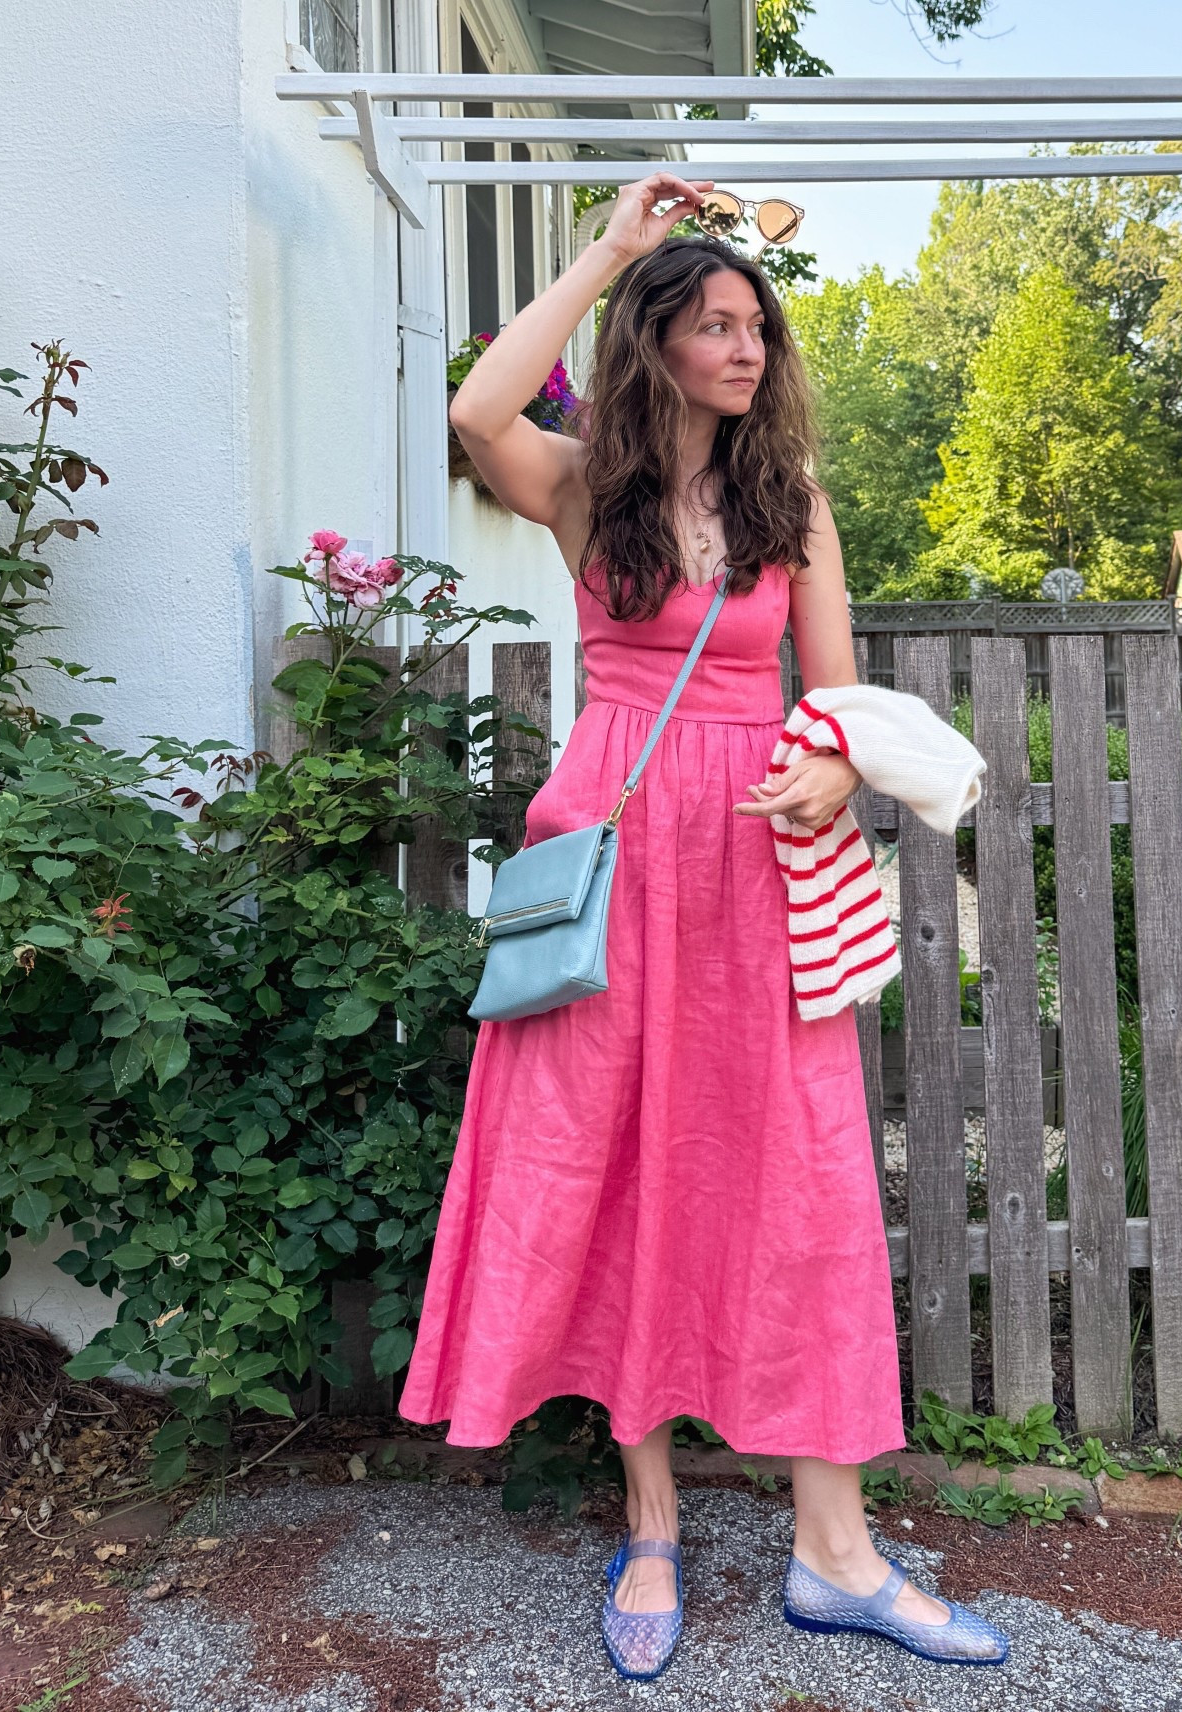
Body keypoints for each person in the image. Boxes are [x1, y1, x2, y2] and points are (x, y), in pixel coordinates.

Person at [398, 173, 1009, 1680]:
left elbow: (837, 699)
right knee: (616, 1177)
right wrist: (610, 245)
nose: (749, 351)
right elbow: (480, 412)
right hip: (615, 867)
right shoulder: (583, 484)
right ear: (652, 340)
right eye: (716, 326)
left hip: (749, 877)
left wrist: (822, 769)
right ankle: (652, 1521)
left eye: (758, 328)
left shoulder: (788, 502)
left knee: (797, 1187)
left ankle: (836, 1553)